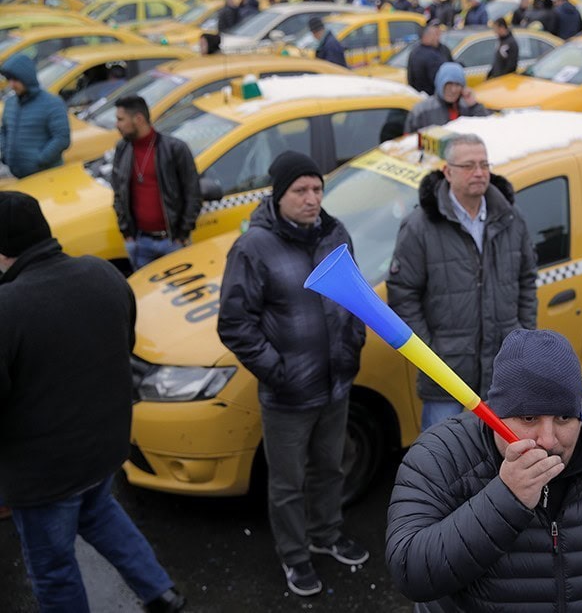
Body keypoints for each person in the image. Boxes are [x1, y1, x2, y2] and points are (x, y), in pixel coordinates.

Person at [385, 328, 582, 611]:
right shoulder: (439, 456)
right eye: (529, 417)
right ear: (496, 414)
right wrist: (506, 499)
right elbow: (410, 573)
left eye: (563, 417)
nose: (547, 439)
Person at [0, 191, 186, 613]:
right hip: (104, 449)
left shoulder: (8, 307)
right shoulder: (104, 275)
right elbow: (124, 346)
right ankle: (161, 592)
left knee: (53, 568)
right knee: (100, 513)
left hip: (44, 474)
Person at [217, 151, 368, 598]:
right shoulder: (253, 247)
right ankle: (295, 555)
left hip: (336, 382)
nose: (311, 199)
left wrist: (352, 342)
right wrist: (276, 370)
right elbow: (234, 323)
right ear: (278, 195)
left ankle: (326, 533)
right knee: (287, 482)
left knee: (331, 466)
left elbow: (354, 294)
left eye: (317, 189)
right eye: (300, 191)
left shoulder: (334, 233)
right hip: (287, 394)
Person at [386, 133, 537, 430]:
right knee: (443, 464)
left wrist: (523, 335)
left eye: (484, 164)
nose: (479, 173)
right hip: (445, 376)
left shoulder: (510, 218)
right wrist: (429, 354)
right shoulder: (420, 226)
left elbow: (526, 280)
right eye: (468, 165)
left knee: (498, 463)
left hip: (501, 372)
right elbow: (403, 294)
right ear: (447, 171)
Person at [111, 95, 201, 271]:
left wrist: (182, 234)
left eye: (121, 119)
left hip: (172, 242)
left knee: (178, 293)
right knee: (147, 297)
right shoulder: (122, 149)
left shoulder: (175, 149)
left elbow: (193, 193)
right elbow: (118, 193)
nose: (117, 125)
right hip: (139, 242)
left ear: (138, 119)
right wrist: (127, 234)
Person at [0, 54, 70, 179]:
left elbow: (62, 138)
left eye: (15, 80)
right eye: (9, 80)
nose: (11, 85)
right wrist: (5, 154)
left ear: (27, 78)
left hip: (45, 176)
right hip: (18, 176)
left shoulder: (52, 103)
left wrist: (39, 160)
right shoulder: (11, 103)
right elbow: (4, 130)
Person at [404, 62, 490, 132]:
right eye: (448, 84)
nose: (453, 90)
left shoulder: (467, 107)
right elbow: (409, 142)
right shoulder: (422, 110)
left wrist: (474, 106)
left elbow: (486, 129)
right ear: (440, 84)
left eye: (457, 85)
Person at [407, 20, 452, 95]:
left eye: (439, 33)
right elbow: (439, 80)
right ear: (427, 36)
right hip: (431, 96)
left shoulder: (442, 49)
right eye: (436, 34)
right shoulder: (428, 55)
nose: (438, 37)